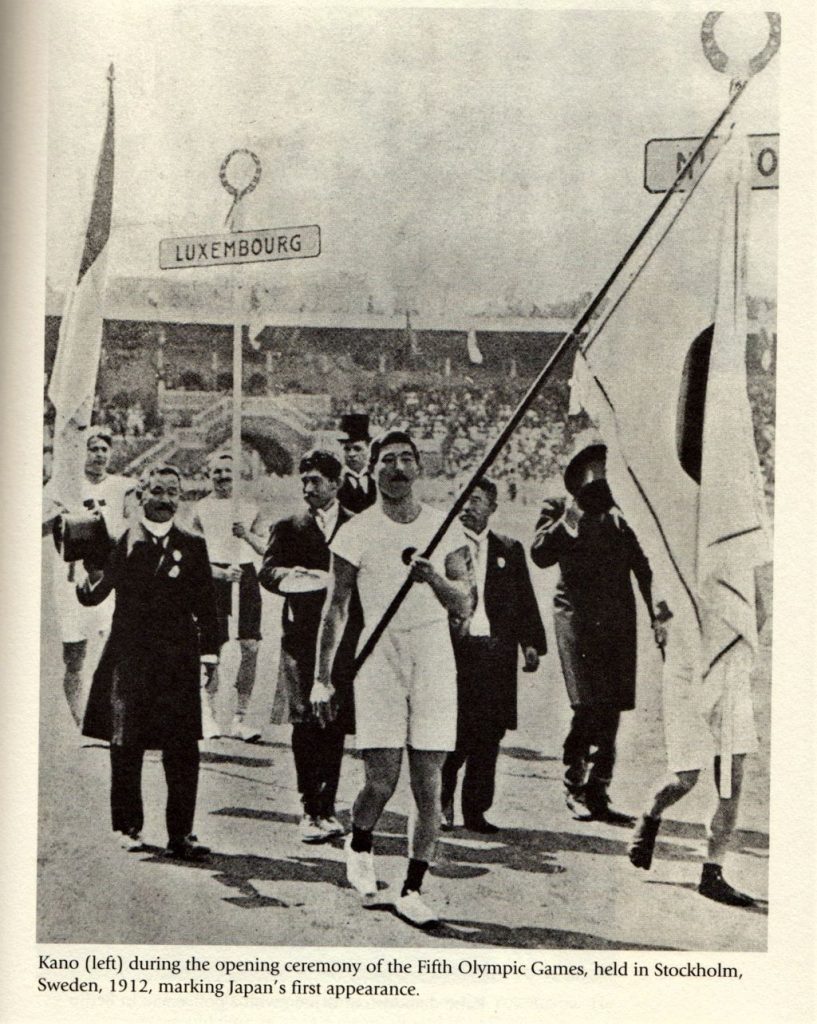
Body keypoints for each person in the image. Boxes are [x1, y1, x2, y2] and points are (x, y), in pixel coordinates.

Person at [311, 430, 474, 928]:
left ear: (419, 468)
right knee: (381, 782)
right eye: (388, 461)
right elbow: (335, 609)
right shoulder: (355, 531)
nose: (398, 469)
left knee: (430, 784)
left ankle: (412, 889)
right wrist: (322, 678)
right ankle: (358, 845)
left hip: (432, 654)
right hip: (379, 655)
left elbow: (465, 603)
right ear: (374, 470)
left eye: (407, 460)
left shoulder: (445, 528)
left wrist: (435, 580)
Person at [78, 463, 220, 859]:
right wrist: (83, 576)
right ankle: (127, 826)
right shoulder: (123, 540)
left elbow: (207, 605)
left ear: (181, 497)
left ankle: (182, 835)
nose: (165, 500)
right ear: (141, 496)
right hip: (130, 657)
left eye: (172, 492)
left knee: (182, 749)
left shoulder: (192, 543)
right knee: (127, 744)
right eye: (157, 491)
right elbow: (96, 593)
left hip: (178, 659)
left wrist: (210, 654)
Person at [530, 436, 665, 824]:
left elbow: (645, 568)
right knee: (587, 703)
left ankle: (599, 789)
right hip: (575, 618)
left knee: (612, 709)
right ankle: (574, 784)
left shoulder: (627, 512)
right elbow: (540, 555)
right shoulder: (558, 507)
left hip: (618, 620)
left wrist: (659, 615)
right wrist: (570, 518)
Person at [259, 449, 360, 843]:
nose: (308, 488)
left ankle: (327, 806)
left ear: (336, 483)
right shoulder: (289, 525)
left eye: (316, 480)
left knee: (332, 723)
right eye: (304, 480)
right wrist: (289, 575)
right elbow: (267, 570)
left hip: (344, 640)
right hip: (300, 638)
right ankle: (308, 809)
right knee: (304, 720)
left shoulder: (357, 525)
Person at [440, 477, 547, 833]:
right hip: (455, 654)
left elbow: (525, 600)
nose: (467, 506)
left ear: (492, 508)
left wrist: (530, 643)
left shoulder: (509, 549)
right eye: (461, 499)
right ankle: (441, 801)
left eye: (475, 500)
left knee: (488, 737)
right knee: (452, 734)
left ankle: (476, 810)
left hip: (495, 656)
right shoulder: (443, 547)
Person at [43, 429, 134, 727]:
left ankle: (111, 716)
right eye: (92, 448)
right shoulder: (63, 486)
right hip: (71, 579)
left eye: (103, 448)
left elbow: (134, 529)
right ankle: (80, 719)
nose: (98, 454)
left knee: (116, 645)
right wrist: (58, 513)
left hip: (109, 577)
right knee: (74, 653)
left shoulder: (123, 486)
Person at [190, 451, 266, 741]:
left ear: (238, 475)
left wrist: (245, 535)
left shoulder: (249, 507)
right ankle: (208, 716)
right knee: (211, 649)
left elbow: (265, 549)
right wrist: (217, 572)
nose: (222, 477)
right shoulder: (200, 509)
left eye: (228, 472)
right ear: (209, 475)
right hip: (212, 577)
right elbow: (192, 557)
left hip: (245, 574)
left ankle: (240, 719)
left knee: (250, 647)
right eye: (217, 471)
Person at [337, 414, 376, 513]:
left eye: (357, 449)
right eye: (347, 449)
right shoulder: (335, 482)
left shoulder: (378, 480)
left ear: (368, 450)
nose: (351, 454)